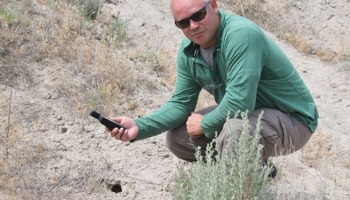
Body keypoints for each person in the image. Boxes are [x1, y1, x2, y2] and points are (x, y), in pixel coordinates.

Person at [107, 0, 318, 177]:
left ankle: (235, 189)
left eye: (198, 15)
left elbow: (239, 101)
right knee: (178, 138)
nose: (193, 26)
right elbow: (181, 104)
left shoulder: (241, 35)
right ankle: (255, 167)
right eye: (183, 22)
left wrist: (206, 123)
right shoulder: (189, 51)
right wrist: (139, 127)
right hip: (251, 114)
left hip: (293, 120)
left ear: (214, 5)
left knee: (236, 130)